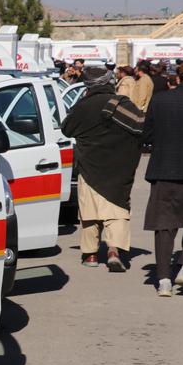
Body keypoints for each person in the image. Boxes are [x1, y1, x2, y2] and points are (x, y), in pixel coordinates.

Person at [62, 66, 145, 271]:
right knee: (116, 210)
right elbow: (141, 126)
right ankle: (114, 250)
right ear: (109, 83)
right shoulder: (120, 103)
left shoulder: (82, 106)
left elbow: (66, 129)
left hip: (89, 166)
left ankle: (90, 255)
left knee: (89, 213)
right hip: (119, 167)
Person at [142, 62, 183, 296]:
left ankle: (163, 280)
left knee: (164, 226)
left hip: (163, 171)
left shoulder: (160, 100)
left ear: (178, 77)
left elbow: (147, 135)